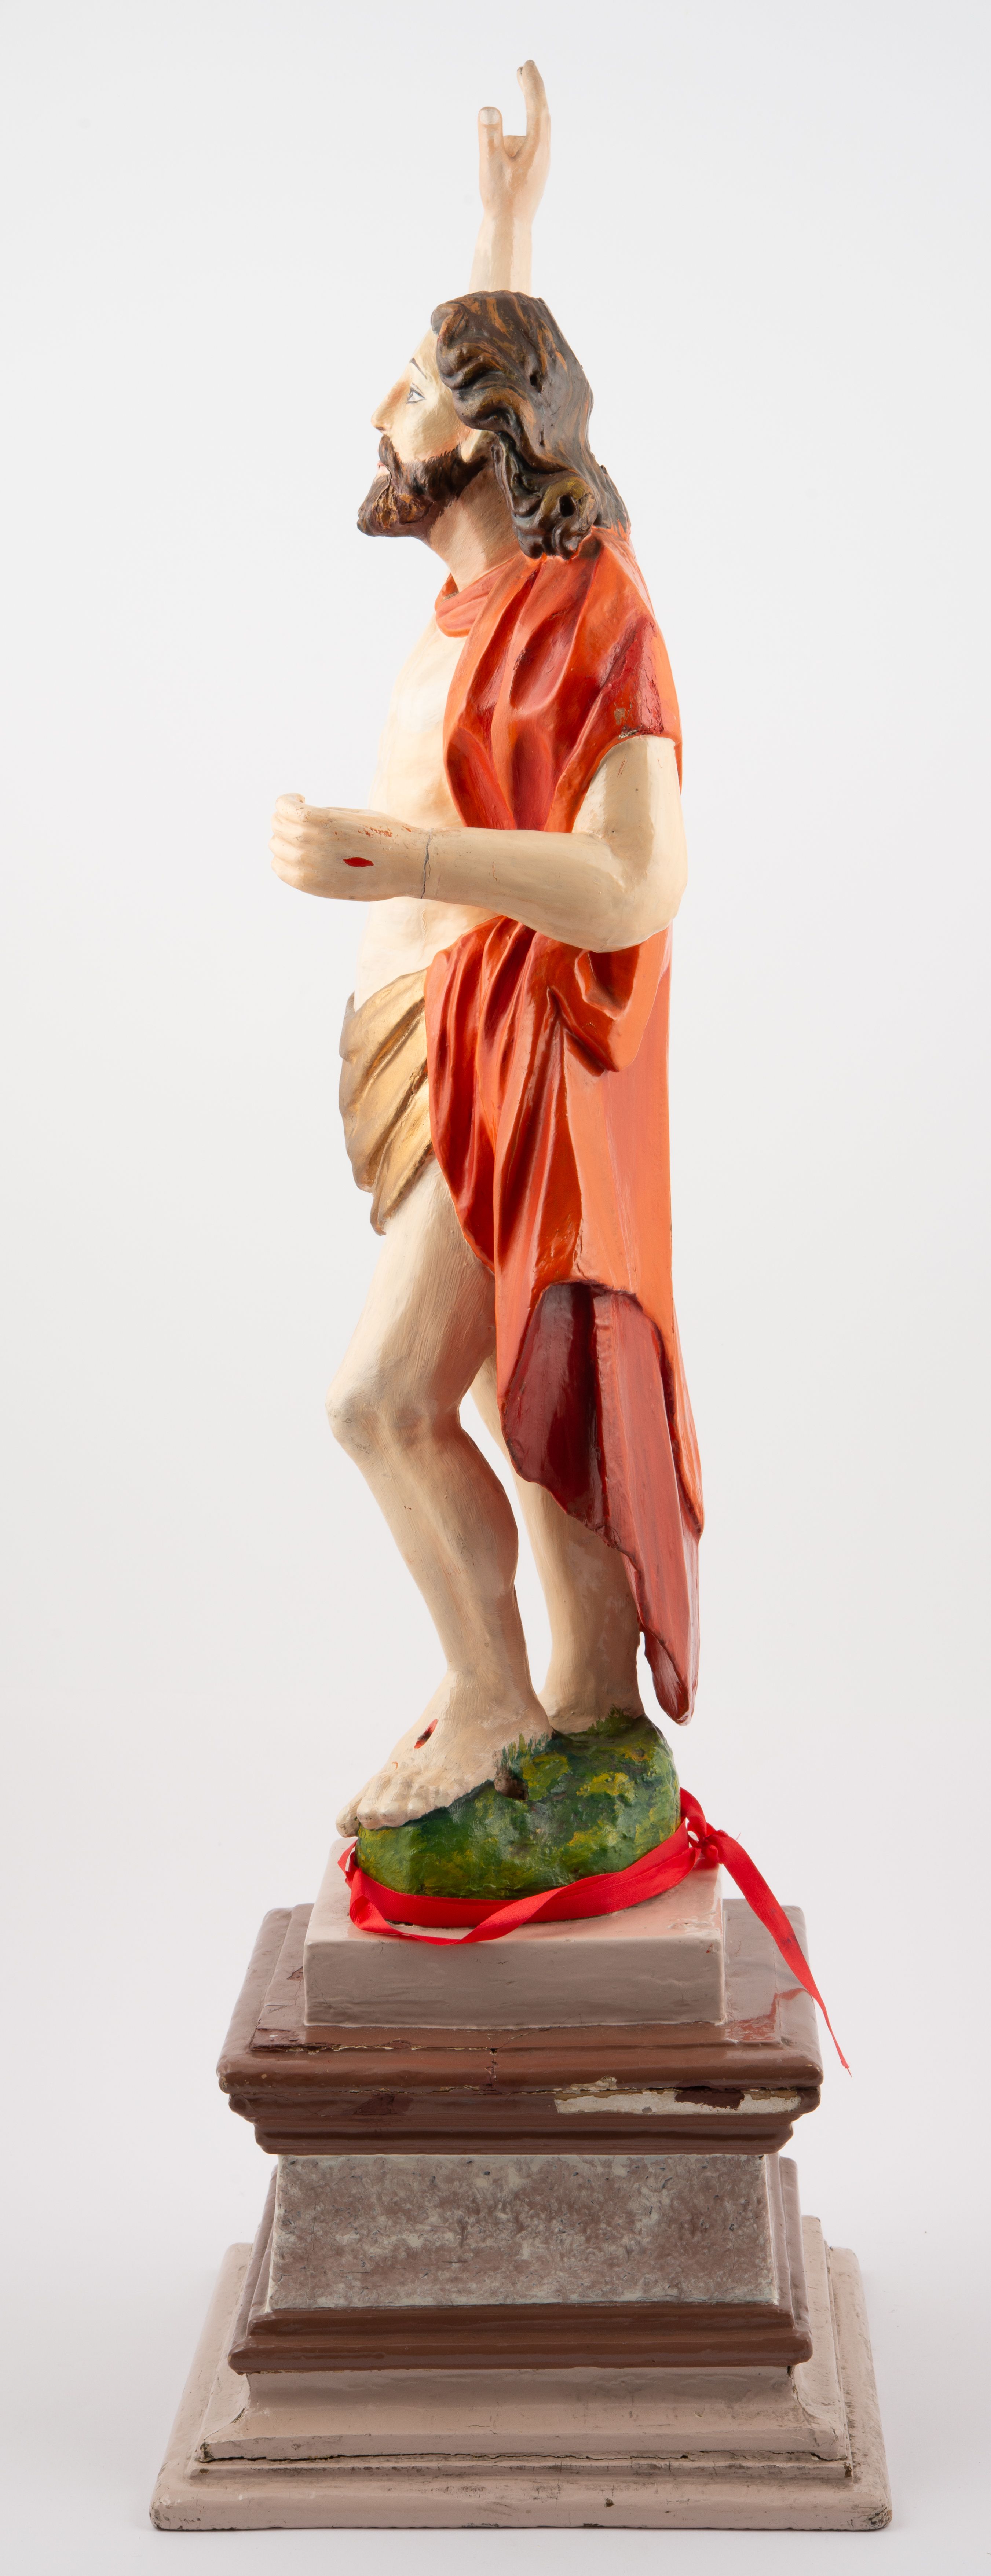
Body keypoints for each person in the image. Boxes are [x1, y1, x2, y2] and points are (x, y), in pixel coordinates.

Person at [270, 65, 702, 1837]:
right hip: (431, 1046)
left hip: (516, 1059)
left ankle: (499, 1703)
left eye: (417, 395)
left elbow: (636, 880)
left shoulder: (594, 613)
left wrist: (412, 857)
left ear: (490, 437)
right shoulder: (478, 583)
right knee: (511, 1398)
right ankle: (565, 1713)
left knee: (387, 1399)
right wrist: (503, 226)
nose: (384, 418)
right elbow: (491, 361)